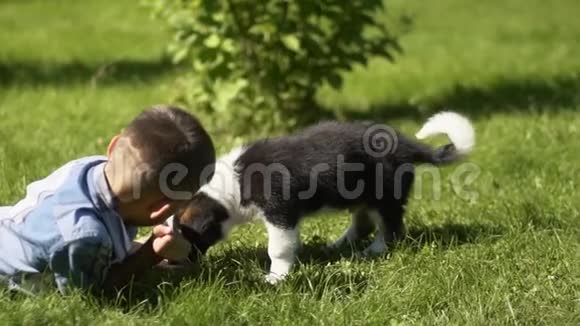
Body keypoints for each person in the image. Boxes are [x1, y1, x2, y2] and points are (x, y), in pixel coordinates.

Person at [0, 105, 215, 295]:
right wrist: (151, 254)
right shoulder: (85, 236)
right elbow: (97, 291)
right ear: (159, 209)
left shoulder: (94, 168)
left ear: (112, 147)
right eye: (177, 208)